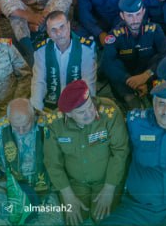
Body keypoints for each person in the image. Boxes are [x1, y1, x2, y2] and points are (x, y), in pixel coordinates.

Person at [104, 80, 166, 226]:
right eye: (161, 104)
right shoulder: (135, 122)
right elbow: (116, 147)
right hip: (136, 208)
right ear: (153, 103)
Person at [44, 80, 129, 226]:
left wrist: (110, 187)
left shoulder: (110, 112)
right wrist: (67, 195)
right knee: (74, 220)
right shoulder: (54, 123)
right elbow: (52, 161)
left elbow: (120, 151)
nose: (89, 114)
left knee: (104, 219)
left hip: (106, 179)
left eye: (90, 106)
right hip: (74, 183)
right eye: (81, 112)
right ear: (68, 114)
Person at [0, 99, 63, 225]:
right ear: (8, 119)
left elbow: (60, 159)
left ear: (33, 116)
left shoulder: (48, 125)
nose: (21, 131)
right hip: (9, 182)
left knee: (53, 219)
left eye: (26, 125)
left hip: (43, 183)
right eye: (15, 127)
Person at [101, 0, 166, 109]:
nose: (135, 20)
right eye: (129, 16)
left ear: (143, 12)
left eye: (138, 14)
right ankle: (131, 101)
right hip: (126, 80)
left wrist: (146, 75)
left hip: (150, 75)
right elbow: (108, 63)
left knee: (163, 63)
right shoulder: (114, 36)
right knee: (114, 67)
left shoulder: (155, 30)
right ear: (122, 16)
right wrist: (130, 80)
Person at [31, 11, 99, 112]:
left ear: (69, 25)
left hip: (77, 104)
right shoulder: (41, 50)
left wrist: (84, 108)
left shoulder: (86, 48)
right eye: (53, 30)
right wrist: (36, 110)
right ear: (48, 32)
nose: (59, 33)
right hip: (51, 103)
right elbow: (39, 81)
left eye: (62, 27)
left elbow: (88, 82)